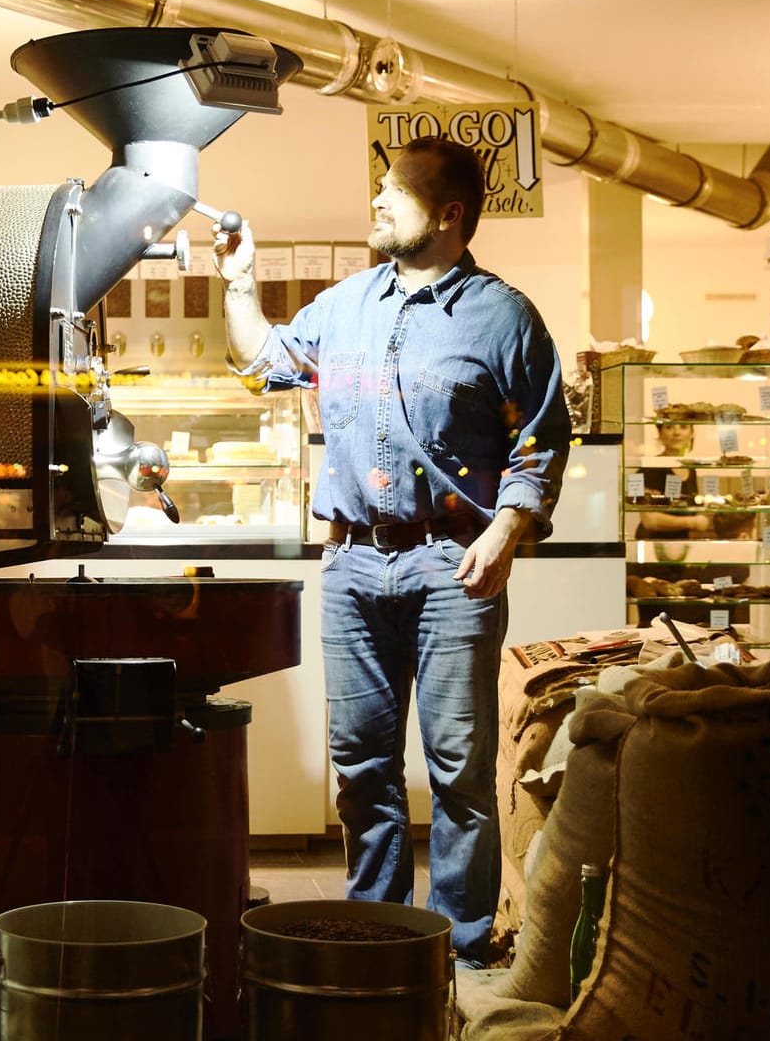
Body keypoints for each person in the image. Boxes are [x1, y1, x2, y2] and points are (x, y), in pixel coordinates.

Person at [215, 136, 570, 966]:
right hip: (350, 564)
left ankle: (464, 944)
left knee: (458, 769)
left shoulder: (505, 316)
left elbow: (544, 440)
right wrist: (237, 278)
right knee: (363, 768)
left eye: (394, 192)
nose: (374, 203)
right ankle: (380, 937)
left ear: (448, 214)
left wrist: (506, 532)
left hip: (452, 565)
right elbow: (264, 364)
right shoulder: (342, 307)